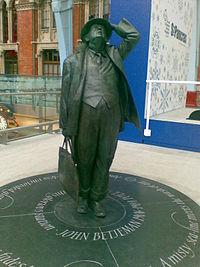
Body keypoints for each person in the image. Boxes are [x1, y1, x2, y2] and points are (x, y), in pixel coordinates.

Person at [59, 18, 141, 218]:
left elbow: (133, 36)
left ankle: (96, 199)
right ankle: (84, 197)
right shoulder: (73, 61)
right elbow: (65, 95)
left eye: (102, 29)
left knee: (105, 158)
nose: (99, 30)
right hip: (85, 116)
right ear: (85, 37)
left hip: (111, 116)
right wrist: (65, 124)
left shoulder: (115, 54)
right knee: (85, 160)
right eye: (94, 28)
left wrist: (111, 26)